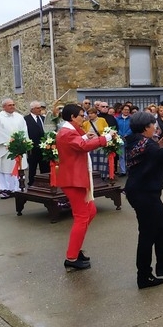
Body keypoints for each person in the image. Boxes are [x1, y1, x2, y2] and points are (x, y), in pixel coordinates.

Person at [124, 112, 163, 288]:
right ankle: (144, 276)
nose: (155, 127)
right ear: (146, 127)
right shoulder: (145, 143)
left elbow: (152, 155)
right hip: (143, 192)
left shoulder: (137, 141)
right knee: (148, 233)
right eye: (153, 124)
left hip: (143, 190)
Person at [56, 104, 116, 271]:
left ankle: (75, 249)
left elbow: (78, 143)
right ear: (72, 117)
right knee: (82, 217)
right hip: (73, 180)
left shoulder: (69, 131)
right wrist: (106, 138)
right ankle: (72, 257)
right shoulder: (67, 132)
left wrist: (85, 137)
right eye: (81, 115)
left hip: (77, 178)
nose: (84, 118)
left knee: (91, 211)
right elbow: (82, 146)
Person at [0, 99, 29, 199]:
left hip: (18, 148)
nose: (12, 106)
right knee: (4, 169)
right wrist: (11, 142)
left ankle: (17, 188)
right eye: (10, 105)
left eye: (13, 104)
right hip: (4, 148)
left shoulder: (19, 117)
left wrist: (22, 142)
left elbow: (24, 130)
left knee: (18, 169)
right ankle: (5, 190)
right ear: (4, 107)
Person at [24, 101, 50, 187]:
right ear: (32, 109)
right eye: (38, 108)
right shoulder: (26, 119)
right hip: (33, 148)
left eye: (40, 108)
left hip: (44, 148)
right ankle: (32, 184)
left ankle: (45, 183)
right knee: (32, 167)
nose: (40, 109)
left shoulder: (43, 118)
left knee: (45, 167)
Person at [82, 108, 110, 180]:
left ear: (96, 114)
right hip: (91, 144)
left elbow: (107, 130)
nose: (90, 115)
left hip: (101, 143)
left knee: (102, 160)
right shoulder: (85, 123)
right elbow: (83, 132)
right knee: (92, 160)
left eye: (91, 113)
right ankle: (93, 175)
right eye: (88, 114)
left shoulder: (102, 120)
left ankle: (103, 175)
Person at [116, 105, 132, 177]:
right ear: (122, 110)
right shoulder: (117, 119)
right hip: (120, 139)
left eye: (128, 110)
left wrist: (127, 134)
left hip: (129, 139)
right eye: (125, 109)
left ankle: (129, 169)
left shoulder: (131, 119)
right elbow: (116, 127)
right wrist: (121, 134)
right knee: (121, 155)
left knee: (129, 155)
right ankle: (123, 171)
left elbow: (132, 128)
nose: (126, 111)